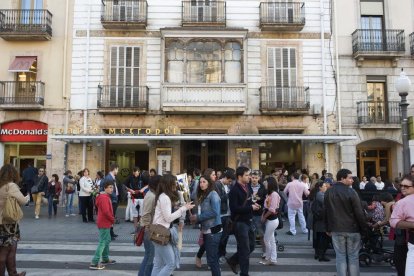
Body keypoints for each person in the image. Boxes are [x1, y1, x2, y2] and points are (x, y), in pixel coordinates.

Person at [324, 169, 367, 276]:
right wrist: (364, 229)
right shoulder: (351, 192)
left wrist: (328, 228)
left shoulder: (329, 191)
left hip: (336, 228)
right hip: (352, 229)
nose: (352, 180)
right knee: (353, 257)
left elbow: (326, 211)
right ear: (342, 178)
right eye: (350, 178)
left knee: (340, 257)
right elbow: (359, 212)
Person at [151, 174, 194, 276]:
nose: (175, 185)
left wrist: (178, 207)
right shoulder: (165, 197)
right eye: (174, 183)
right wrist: (183, 209)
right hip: (161, 233)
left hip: (157, 232)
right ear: (168, 184)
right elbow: (168, 218)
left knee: (158, 264)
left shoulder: (162, 196)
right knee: (171, 263)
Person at [226, 166, 260, 276]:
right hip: (239, 223)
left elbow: (248, 201)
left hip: (248, 221)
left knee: (251, 246)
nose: (249, 177)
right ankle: (244, 273)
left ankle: (233, 260)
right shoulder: (234, 190)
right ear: (240, 177)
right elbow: (234, 209)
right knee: (244, 249)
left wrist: (253, 204)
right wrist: (251, 208)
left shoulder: (248, 187)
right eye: (246, 175)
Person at [0, 164, 30, 276]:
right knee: (5, 252)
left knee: (11, 249)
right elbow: (23, 201)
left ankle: (13, 273)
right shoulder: (10, 186)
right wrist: (27, 197)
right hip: (8, 224)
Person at [190, 176, 222, 276]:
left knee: (212, 260)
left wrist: (198, 217)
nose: (201, 184)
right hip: (206, 230)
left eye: (204, 182)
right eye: (200, 182)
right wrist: (195, 218)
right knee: (212, 260)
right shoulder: (203, 195)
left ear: (209, 183)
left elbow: (215, 212)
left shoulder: (213, 194)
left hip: (213, 230)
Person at [390, 174, 414, 276]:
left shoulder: (402, 202)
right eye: (401, 185)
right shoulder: (402, 202)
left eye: (406, 186)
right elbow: (394, 222)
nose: (403, 188)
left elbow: (394, 221)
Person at [89, 180, 116, 270]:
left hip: (105, 222)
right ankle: (94, 262)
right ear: (105, 188)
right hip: (104, 222)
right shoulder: (104, 197)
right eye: (110, 187)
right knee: (103, 242)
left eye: (112, 187)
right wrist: (113, 220)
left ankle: (105, 259)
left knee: (107, 240)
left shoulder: (104, 196)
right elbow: (106, 212)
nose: (112, 189)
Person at [138, 175, 160, 276]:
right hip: (149, 230)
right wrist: (148, 228)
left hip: (150, 229)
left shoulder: (152, 194)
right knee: (150, 258)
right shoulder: (151, 196)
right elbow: (146, 214)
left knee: (149, 256)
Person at [260, 177, 280, 266]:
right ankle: (271, 259)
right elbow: (266, 207)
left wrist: (264, 217)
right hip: (270, 220)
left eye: (266, 183)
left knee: (266, 239)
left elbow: (272, 209)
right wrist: (263, 216)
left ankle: (270, 258)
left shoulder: (274, 194)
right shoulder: (270, 194)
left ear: (270, 184)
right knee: (271, 240)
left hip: (272, 220)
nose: (265, 184)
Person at [216, 170, 235, 263]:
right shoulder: (218, 185)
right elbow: (218, 199)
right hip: (221, 214)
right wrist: (229, 195)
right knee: (221, 237)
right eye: (229, 181)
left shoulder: (227, 185)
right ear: (225, 178)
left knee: (226, 236)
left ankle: (222, 252)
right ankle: (219, 254)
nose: (230, 183)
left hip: (228, 214)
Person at [310, 181, 330, 262]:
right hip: (321, 220)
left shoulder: (318, 194)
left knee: (318, 237)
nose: (326, 187)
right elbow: (327, 204)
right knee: (323, 237)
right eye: (324, 186)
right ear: (320, 187)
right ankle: (321, 255)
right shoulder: (320, 195)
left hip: (318, 220)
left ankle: (318, 254)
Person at [249, 171, 266, 254]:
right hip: (249, 213)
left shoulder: (262, 187)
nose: (254, 179)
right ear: (250, 178)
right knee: (250, 234)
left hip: (259, 213)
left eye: (256, 178)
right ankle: (247, 252)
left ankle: (265, 252)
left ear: (259, 178)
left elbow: (265, 199)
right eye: (252, 178)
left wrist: (259, 199)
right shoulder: (247, 186)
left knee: (262, 233)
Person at [102, 164, 120, 240]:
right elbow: (109, 190)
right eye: (117, 169)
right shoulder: (109, 178)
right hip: (112, 200)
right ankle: (109, 234)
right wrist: (115, 196)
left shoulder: (112, 177)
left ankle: (111, 232)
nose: (118, 171)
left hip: (114, 199)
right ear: (114, 169)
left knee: (112, 217)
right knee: (110, 217)